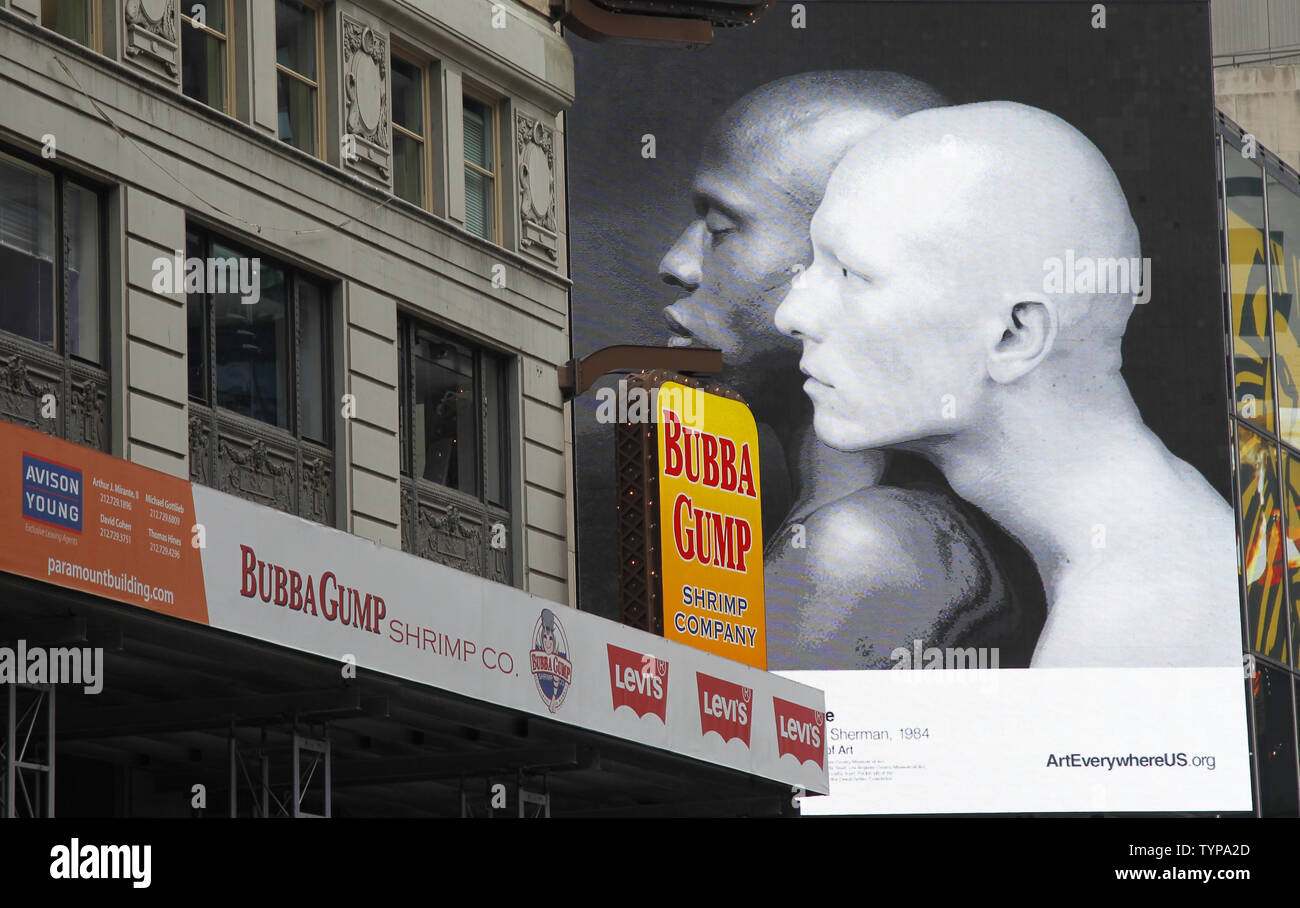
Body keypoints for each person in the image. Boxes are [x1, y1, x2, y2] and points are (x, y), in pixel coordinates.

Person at [775, 101, 1239, 668]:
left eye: (852, 274)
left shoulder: (1134, 625)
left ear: (1014, 335)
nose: (791, 313)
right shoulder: (1144, 542)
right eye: (815, 263)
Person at [657, 73, 1044, 669]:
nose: (677, 264)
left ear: (853, 262)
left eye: (720, 230)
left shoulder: (865, 553)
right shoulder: (867, 529)